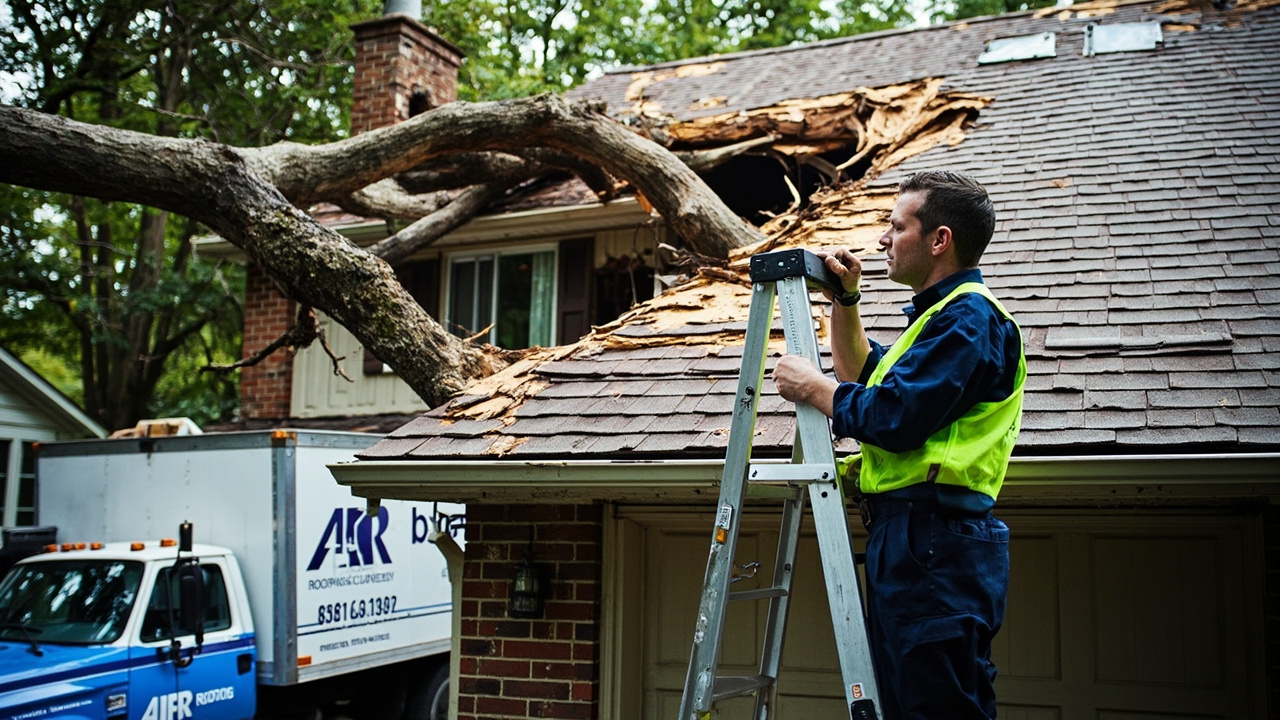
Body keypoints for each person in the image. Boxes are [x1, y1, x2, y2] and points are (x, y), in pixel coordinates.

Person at [771, 170, 1025, 720]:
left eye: (896, 226)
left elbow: (895, 416)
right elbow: (862, 372)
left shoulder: (969, 320)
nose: (883, 238)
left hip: (935, 540)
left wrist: (811, 386)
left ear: (940, 240)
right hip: (916, 539)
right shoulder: (937, 323)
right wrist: (846, 299)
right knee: (902, 701)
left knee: (933, 707)